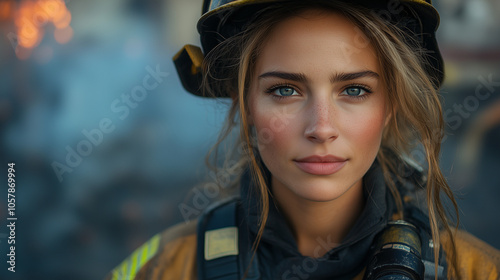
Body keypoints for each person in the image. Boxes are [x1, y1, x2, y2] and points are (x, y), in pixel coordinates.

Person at [106, 0, 500, 279]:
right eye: (285, 90)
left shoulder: (476, 271)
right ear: (245, 103)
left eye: (355, 90)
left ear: (390, 106)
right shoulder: (164, 268)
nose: (321, 128)